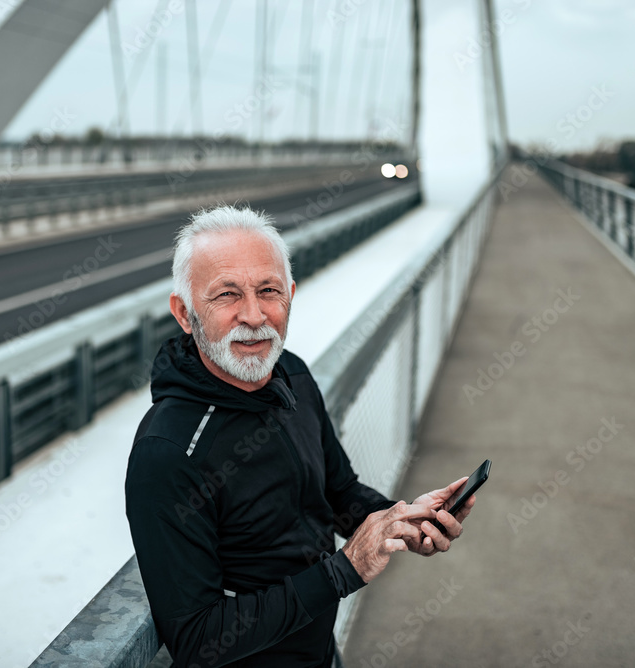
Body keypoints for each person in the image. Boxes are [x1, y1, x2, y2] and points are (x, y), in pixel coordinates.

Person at [125, 205, 475, 667]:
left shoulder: (292, 375)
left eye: (268, 290)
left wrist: (403, 519)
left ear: (290, 295)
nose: (253, 315)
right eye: (226, 295)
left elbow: (336, 492)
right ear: (185, 314)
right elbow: (195, 638)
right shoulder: (168, 453)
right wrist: (344, 570)